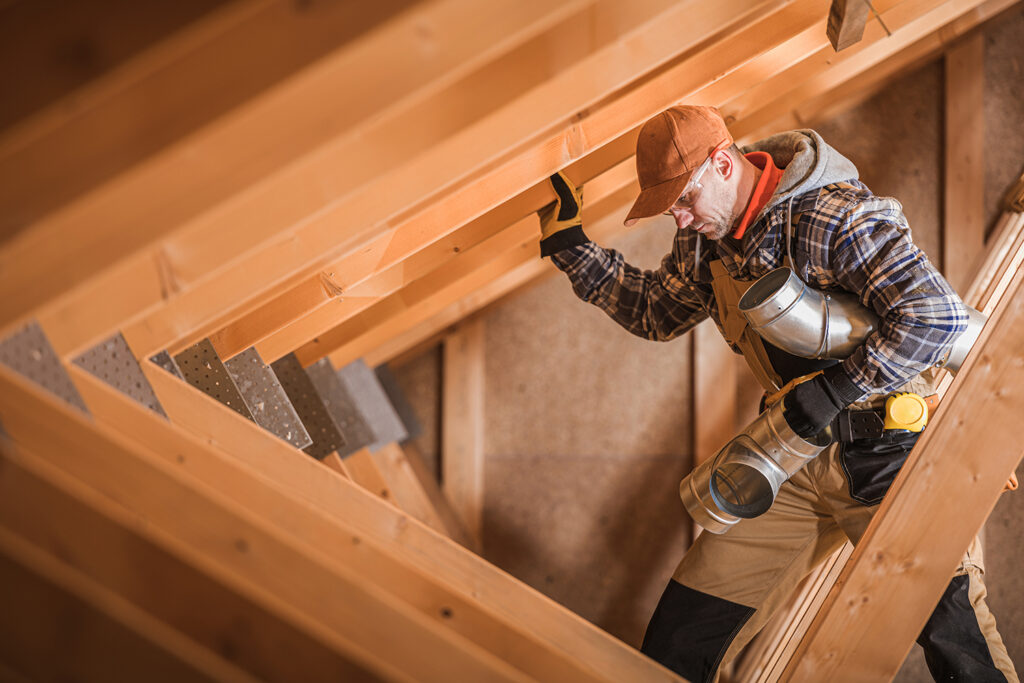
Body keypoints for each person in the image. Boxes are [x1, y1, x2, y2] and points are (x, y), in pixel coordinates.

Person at [538, 105, 1017, 682]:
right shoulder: (704, 245)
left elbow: (932, 317)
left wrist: (837, 391)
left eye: (684, 201)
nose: (682, 221)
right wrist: (569, 246)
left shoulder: (834, 216)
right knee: (679, 642)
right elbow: (654, 312)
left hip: (890, 454)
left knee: (956, 646)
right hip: (791, 459)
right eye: (672, 212)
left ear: (722, 163)